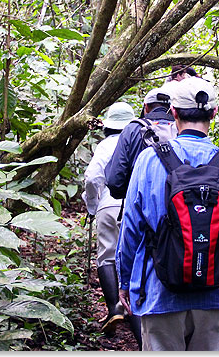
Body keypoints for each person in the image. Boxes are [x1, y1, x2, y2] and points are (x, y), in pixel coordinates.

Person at [115, 77, 219, 351]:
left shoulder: (149, 160)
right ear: (214, 114)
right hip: (215, 296)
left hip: (160, 293)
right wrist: (215, 259)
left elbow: (131, 229)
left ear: (173, 113)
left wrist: (125, 282)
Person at [82, 101, 142, 347]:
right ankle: (139, 319)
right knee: (138, 258)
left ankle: (114, 307)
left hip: (108, 204)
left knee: (107, 255)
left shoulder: (105, 145)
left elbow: (92, 177)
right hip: (137, 206)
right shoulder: (141, 142)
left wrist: (92, 205)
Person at [105, 80, 179, 201]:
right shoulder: (181, 129)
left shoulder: (133, 129)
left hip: (139, 205)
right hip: (177, 207)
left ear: (146, 107)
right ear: (172, 108)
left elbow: (115, 181)